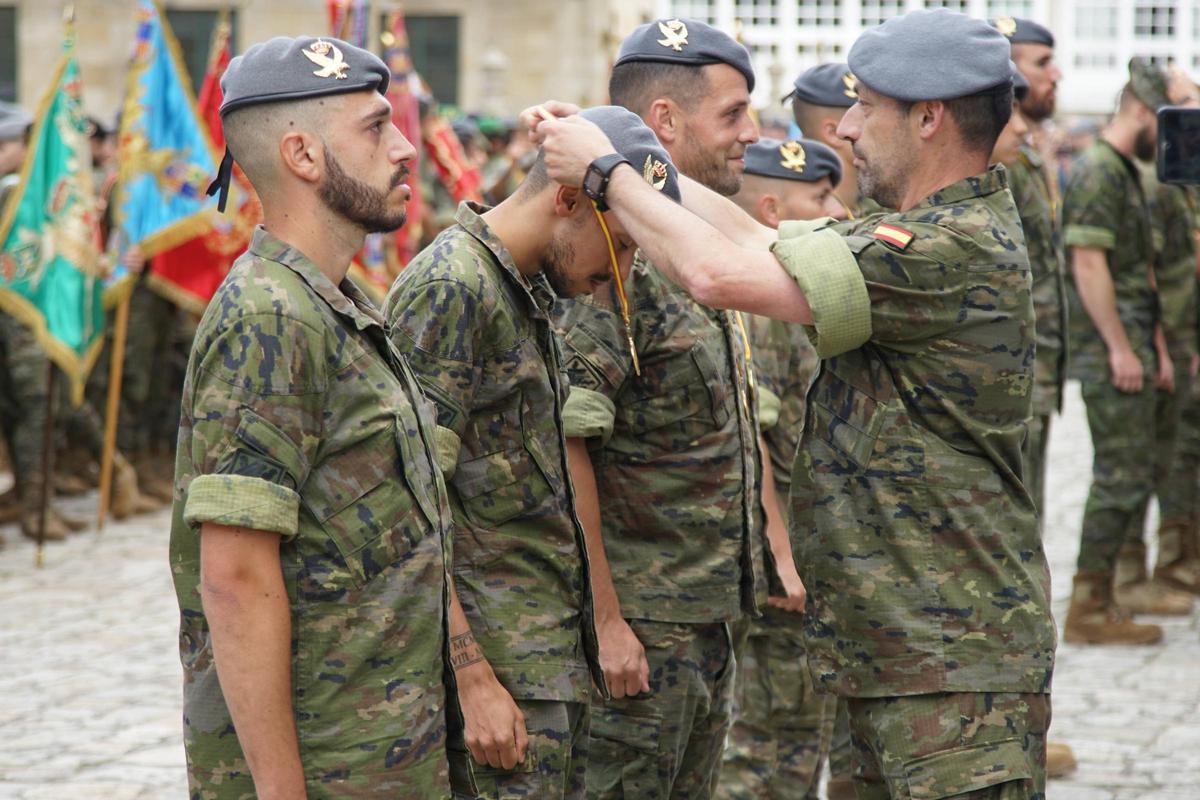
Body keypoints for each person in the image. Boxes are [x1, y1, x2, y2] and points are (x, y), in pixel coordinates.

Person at [529, 8, 1057, 798]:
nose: (843, 129)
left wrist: (607, 175)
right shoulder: (912, 231)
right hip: (896, 658)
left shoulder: (952, 247)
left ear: (928, 118)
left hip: (954, 679)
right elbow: (752, 239)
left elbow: (720, 275)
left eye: (865, 108)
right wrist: (627, 150)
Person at [170, 36, 452, 798]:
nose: (404, 149)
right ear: (302, 154)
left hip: (387, 746)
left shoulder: (342, 303)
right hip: (329, 765)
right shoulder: (269, 316)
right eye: (375, 127)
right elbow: (233, 574)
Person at [384, 105, 678, 800]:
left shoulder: (520, 286)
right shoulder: (453, 287)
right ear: (569, 198)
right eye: (624, 245)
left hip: (539, 658)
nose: (625, 270)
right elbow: (411, 502)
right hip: (496, 672)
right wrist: (470, 675)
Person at [553, 18, 802, 799]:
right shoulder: (613, 255)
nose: (751, 133)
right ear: (664, 121)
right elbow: (569, 444)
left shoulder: (696, 245)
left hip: (707, 620)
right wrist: (605, 621)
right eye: (732, 114)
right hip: (641, 630)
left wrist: (772, 555)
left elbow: (739, 419)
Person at [719, 137, 843, 800]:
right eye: (819, 199)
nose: (838, 207)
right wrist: (779, 551)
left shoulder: (791, 282)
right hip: (781, 559)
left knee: (802, 740)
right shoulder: (755, 301)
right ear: (771, 208)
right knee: (770, 747)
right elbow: (754, 429)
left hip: (806, 545)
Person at [1061, 58, 1182, 644]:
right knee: (1118, 477)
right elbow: (1089, 265)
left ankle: (1108, 595)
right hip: (1110, 352)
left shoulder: (1124, 170)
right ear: (1141, 110)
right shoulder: (1096, 172)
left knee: (1132, 474)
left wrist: (1151, 345)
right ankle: (1087, 606)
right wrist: (1119, 348)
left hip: (1133, 341)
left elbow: (1142, 273)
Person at [990, 43, 1079, 783]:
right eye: (1037, 63)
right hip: (1009, 392)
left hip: (1035, 383)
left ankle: (1024, 715)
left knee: (1031, 546)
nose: (1048, 79)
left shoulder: (1027, 154)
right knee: (1011, 555)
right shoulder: (998, 161)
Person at [0, 100, 88, 541]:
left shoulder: (20, 193)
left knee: (36, 413)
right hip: (15, 332)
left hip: (24, 332)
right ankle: (33, 508)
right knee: (31, 413)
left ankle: (37, 505)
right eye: (18, 143)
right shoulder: (11, 195)